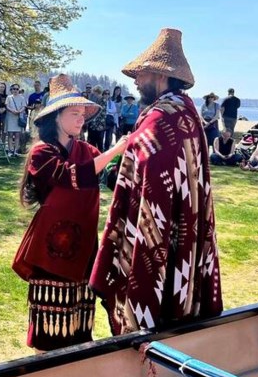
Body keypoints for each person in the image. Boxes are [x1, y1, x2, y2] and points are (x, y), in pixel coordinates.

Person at [91, 27, 223, 335]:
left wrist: (116, 177)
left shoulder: (160, 118)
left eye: (141, 74)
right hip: (183, 225)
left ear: (160, 76)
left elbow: (147, 179)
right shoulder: (186, 112)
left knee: (150, 294)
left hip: (157, 228)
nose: (135, 80)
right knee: (172, 293)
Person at [13, 74, 129, 351]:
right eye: (74, 113)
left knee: (80, 307)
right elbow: (72, 176)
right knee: (50, 316)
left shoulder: (87, 149)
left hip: (84, 238)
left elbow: (110, 175)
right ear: (55, 117)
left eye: (82, 114)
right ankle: (45, 364)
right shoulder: (41, 153)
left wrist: (132, 169)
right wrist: (115, 150)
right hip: (52, 242)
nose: (81, 119)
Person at [4, 82, 28, 155]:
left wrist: (19, 111)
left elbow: (24, 106)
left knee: (17, 134)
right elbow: (7, 106)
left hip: (18, 117)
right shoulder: (9, 97)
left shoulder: (22, 98)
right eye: (14, 89)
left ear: (19, 90)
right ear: (12, 89)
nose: (15, 90)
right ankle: (10, 150)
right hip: (10, 117)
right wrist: (12, 111)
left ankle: (16, 150)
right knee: (10, 134)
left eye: (17, 89)